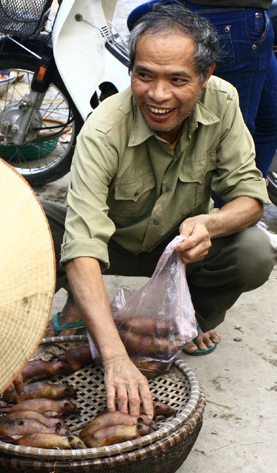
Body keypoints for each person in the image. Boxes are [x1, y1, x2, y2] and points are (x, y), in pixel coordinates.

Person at [43, 2, 275, 417]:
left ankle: (186, 321)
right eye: (144, 75)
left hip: (178, 249)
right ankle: (79, 303)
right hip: (112, 243)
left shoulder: (223, 102)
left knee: (254, 252)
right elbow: (82, 246)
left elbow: (250, 197)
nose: (158, 95)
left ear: (207, 76)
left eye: (178, 79)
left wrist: (210, 223)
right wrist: (116, 360)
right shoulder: (103, 129)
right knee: (35, 224)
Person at [127, 0, 277, 179]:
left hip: (247, 18)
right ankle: (224, 201)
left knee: (269, 118)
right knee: (230, 143)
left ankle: (249, 193)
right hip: (231, 17)